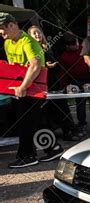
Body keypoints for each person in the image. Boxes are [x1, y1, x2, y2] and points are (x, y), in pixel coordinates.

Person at [0, 12, 45, 168]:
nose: (1, 34)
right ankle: (53, 148)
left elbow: (35, 66)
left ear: (12, 26)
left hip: (33, 88)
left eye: (3, 30)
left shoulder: (28, 42)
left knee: (26, 123)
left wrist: (23, 86)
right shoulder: (7, 43)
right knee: (30, 121)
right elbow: (14, 67)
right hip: (20, 89)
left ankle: (27, 156)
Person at [28, 25, 77, 161]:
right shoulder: (32, 48)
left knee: (59, 108)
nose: (37, 35)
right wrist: (44, 67)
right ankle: (50, 144)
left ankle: (65, 134)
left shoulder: (47, 47)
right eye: (34, 34)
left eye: (38, 33)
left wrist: (50, 66)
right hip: (40, 85)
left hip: (52, 82)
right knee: (43, 114)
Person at [59, 32, 90, 135]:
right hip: (75, 81)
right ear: (67, 46)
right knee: (80, 103)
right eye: (72, 44)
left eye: (76, 42)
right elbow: (63, 73)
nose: (76, 45)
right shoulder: (64, 56)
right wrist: (64, 86)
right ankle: (82, 125)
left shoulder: (84, 49)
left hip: (89, 78)